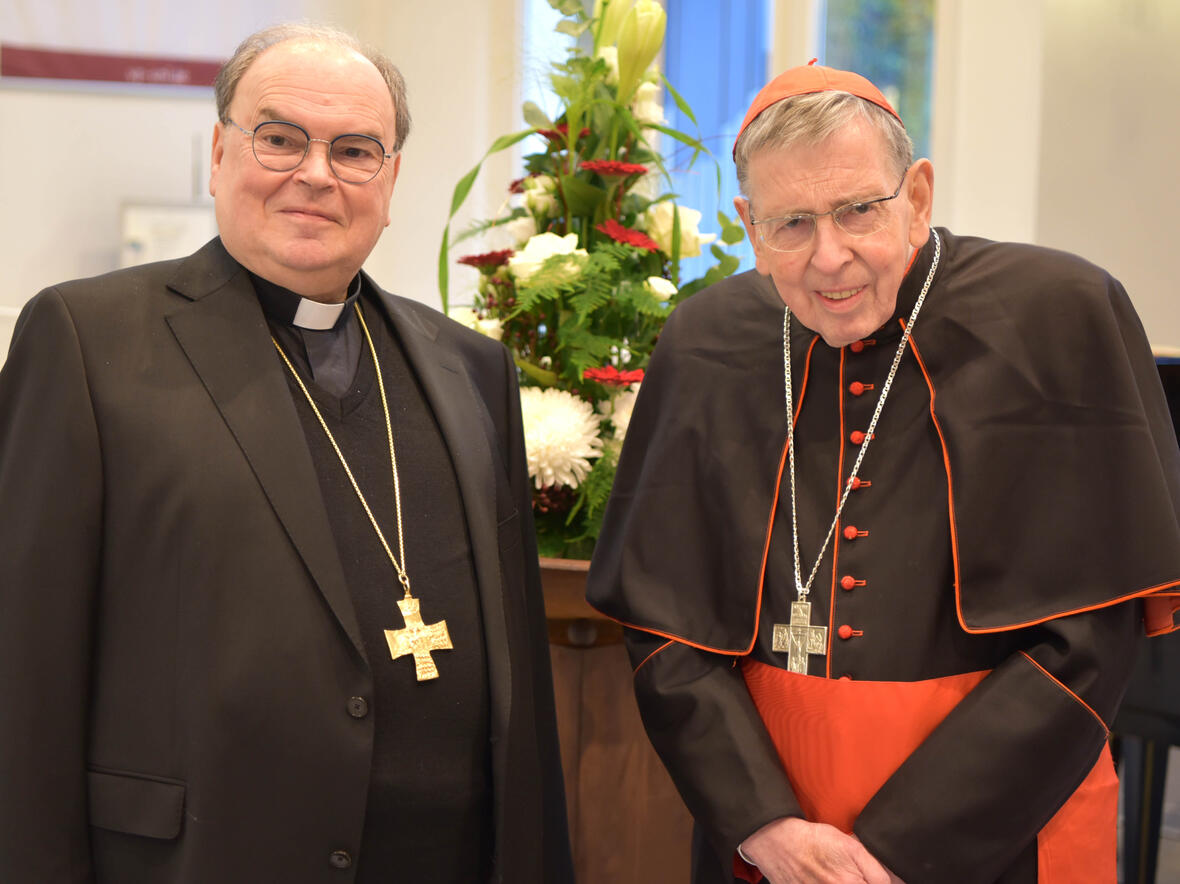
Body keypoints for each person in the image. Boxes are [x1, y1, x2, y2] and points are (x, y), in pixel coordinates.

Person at [0, 23, 573, 884]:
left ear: (391, 180)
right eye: (280, 139)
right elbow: (24, 669)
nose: (315, 174)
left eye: (354, 151)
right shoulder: (89, 341)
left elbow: (519, 683)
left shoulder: (470, 365)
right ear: (221, 152)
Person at [587, 62, 1180, 884]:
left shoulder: (1056, 312)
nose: (830, 258)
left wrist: (898, 853)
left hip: (1003, 828)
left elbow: (1089, 636)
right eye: (791, 223)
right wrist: (763, 826)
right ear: (748, 226)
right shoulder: (706, 341)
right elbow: (664, 625)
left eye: (859, 210)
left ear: (920, 196)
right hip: (768, 840)